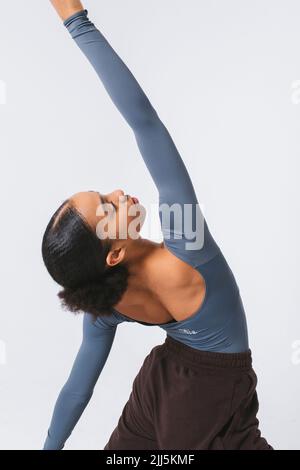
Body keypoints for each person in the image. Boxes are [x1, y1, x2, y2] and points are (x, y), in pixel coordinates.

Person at [42, 1, 273, 450]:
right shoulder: (186, 241)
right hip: (205, 392)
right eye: (108, 209)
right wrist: (76, 21)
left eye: (102, 193)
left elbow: (76, 389)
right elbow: (144, 121)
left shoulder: (104, 302)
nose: (118, 194)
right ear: (113, 255)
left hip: (162, 380)